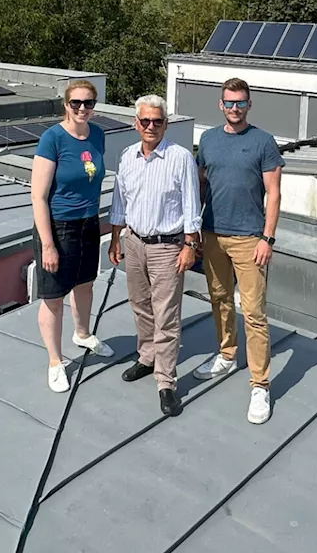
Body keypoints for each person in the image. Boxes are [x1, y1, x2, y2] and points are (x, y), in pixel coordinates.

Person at [194, 77, 284, 424]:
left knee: (255, 312)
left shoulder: (263, 142)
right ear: (220, 105)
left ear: (249, 105)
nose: (234, 108)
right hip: (213, 233)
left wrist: (268, 238)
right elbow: (200, 185)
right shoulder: (208, 140)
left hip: (250, 238)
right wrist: (195, 231)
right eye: (229, 103)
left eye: (240, 103)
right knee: (218, 298)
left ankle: (260, 385)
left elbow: (273, 194)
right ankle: (227, 355)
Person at [108, 95, 201, 417]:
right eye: (145, 121)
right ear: (136, 123)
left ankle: (166, 382)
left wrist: (190, 245)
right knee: (140, 306)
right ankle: (146, 358)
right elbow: (120, 201)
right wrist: (115, 237)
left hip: (167, 247)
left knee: (166, 316)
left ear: (165, 124)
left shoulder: (180, 158)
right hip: (133, 242)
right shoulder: (127, 156)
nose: (150, 127)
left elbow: (192, 203)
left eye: (157, 121)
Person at [31, 80, 114, 392]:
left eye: (88, 103)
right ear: (65, 105)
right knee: (54, 296)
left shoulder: (97, 135)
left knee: (85, 283)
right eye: (76, 103)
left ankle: (82, 333)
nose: (82, 108)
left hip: (88, 222)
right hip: (58, 226)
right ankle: (55, 360)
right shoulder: (52, 139)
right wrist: (48, 244)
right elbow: (38, 197)